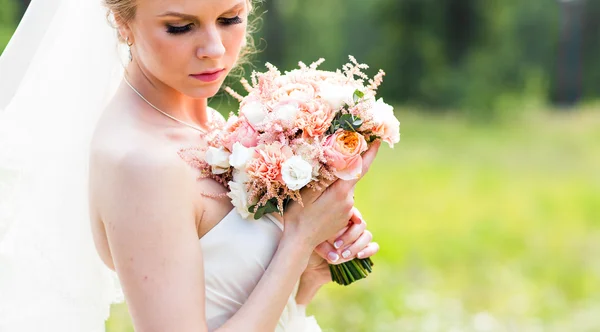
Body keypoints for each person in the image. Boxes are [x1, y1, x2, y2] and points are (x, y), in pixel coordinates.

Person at [0, 0, 380, 331]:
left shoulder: (210, 124)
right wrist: (299, 238)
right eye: (181, 27)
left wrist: (310, 269)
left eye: (230, 18)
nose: (214, 49)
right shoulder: (143, 164)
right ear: (122, 23)